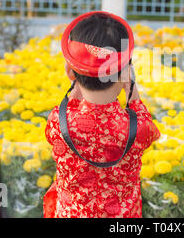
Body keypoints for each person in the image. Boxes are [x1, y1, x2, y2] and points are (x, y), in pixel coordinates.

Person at [43, 11, 160, 218]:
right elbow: (151, 132)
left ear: (70, 72)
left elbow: (72, 111)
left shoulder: (57, 121)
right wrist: (133, 95)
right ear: (126, 71)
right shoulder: (138, 127)